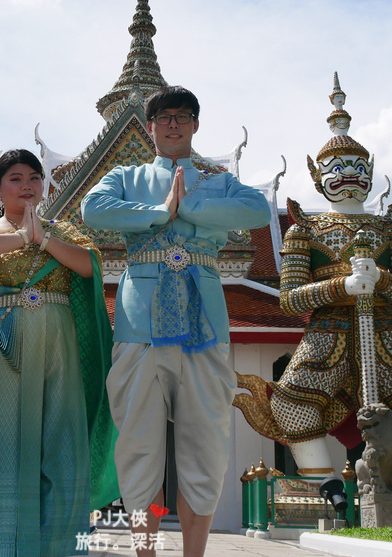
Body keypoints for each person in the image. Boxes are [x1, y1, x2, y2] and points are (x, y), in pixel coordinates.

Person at [241, 74, 392, 490]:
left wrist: (381, 279)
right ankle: (329, 489)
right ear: (318, 179)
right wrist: (343, 287)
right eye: (336, 169)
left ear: (370, 173)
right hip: (326, 334)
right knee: (292, 408)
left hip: (384, 332)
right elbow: (290, 301)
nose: (348, 174)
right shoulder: (305, 230)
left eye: (356, 167)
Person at [81, 86, 271, 557]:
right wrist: (159, 211)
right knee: (140, 448)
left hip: (203, 321)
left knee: (204, 448)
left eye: (182, 117)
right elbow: (92, 210)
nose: (172, 124)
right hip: (138, 323)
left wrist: (189, 205)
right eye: (163, 117)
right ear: (150, 127)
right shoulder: (126, 177)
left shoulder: (217, 180)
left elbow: (256, 210)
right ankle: (146, 552)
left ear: (195, 125)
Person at [0, 149, 118, 557]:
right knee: (0, 433)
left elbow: (89, 266)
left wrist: (43, 237)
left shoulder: (64, 230)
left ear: (43, 185)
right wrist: (21, 237)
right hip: (5, 342)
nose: (26, 185)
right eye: (14, 178)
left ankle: (58, 545)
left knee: (61, 435)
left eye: (33, 177)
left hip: (60, 341)